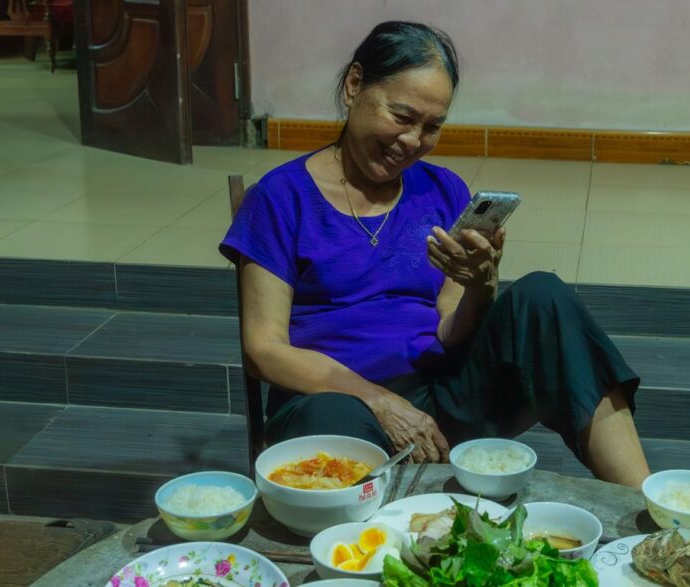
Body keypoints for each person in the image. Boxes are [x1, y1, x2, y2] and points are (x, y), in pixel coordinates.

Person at [220, 21, 651, 488]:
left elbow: (450, 331)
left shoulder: (444, 192)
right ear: (354, 85)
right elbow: (263, 350)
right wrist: (377, 400)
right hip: (329, 405)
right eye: (402, 117)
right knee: (333, 424)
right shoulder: (281, 198)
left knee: (543, 297)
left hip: (437, 402)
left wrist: (480, 282)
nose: (412, 141)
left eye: (432, 127)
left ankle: (655, 513)